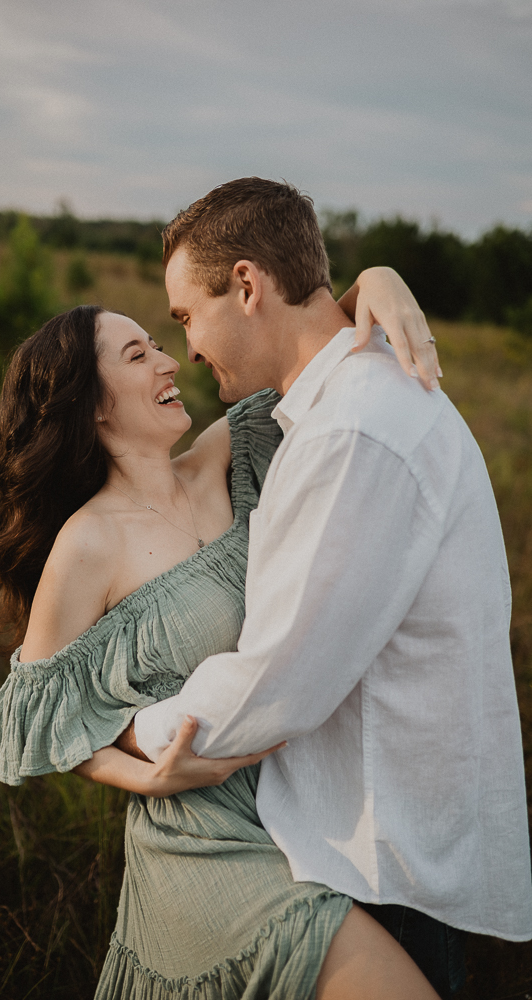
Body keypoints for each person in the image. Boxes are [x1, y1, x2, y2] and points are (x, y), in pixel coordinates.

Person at [122, 177, 532, 997]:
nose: (189, 349)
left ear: (245, 284)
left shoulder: (355, 430)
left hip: (379, 857)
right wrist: (370, 278)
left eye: (184, 318)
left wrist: (124, 731)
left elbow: (277, 681)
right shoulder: (344, 402)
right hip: (367, 835)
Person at [0, 276, 444, 998]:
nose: (170, 363)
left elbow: (306, 332)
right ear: (92, 405)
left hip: (302, 804)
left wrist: (375, 282)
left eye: (161, 344)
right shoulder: (88, 544)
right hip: (199, 837)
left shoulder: (230, 452)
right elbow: (36, 720)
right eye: (137, 356)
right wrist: (145, 775)